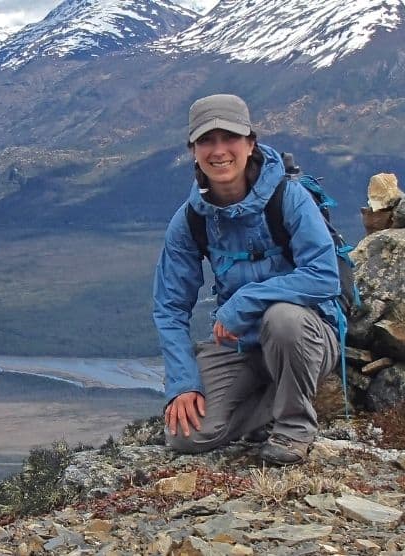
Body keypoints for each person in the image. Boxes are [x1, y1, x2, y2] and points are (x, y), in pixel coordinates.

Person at [152, 93, 343, 465]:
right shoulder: (190, 220)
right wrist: (182, 383)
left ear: (250, 143)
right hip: (240, 347)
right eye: (207, 140)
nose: (219, 150)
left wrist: (245, 301)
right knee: (185, 435)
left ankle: (293, 428)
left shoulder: (290, 198)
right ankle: (278, 396)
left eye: (231, 138)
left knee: (283, 319)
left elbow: (324, 277)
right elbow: (170, 307)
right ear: (193, 150)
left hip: (306, 335)